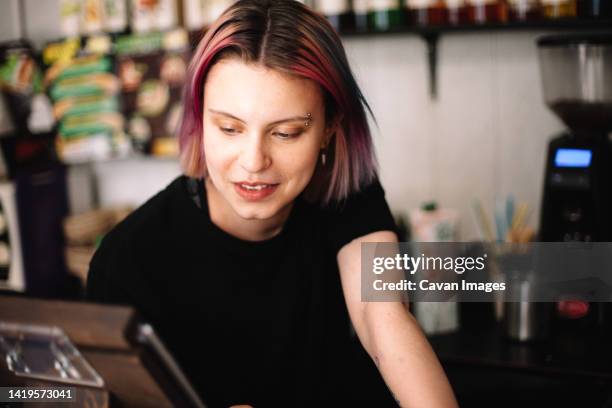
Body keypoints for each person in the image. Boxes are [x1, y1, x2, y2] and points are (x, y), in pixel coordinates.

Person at [86, 1, 458, 407]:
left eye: (285, 133)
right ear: (199, 118)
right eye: (229, 128)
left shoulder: (346, 193)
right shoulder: (128, 260)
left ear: (330, 128)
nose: (254, 161)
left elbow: (382, 318)